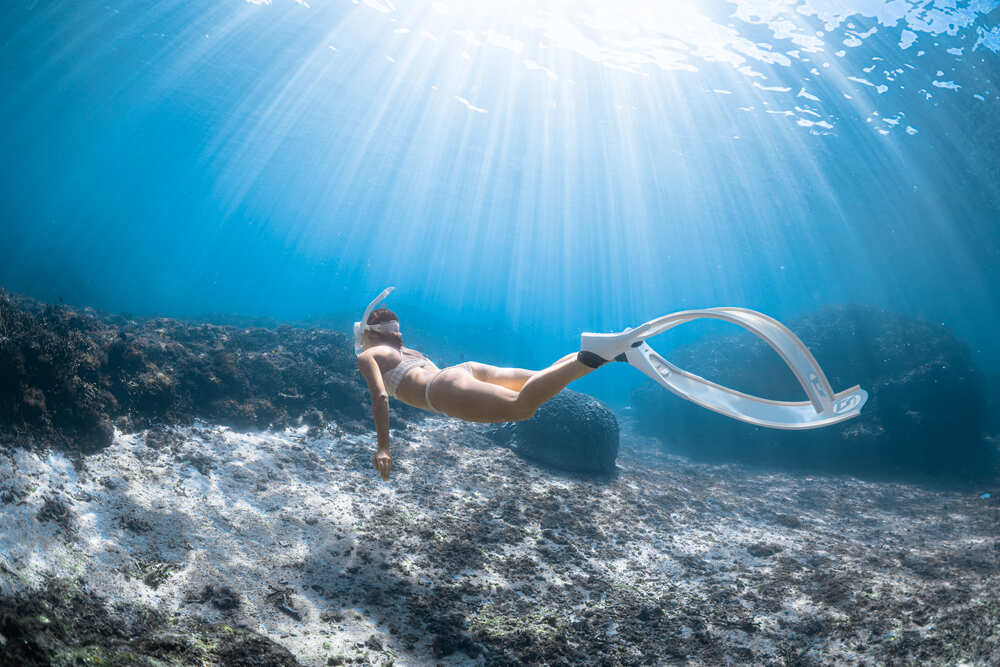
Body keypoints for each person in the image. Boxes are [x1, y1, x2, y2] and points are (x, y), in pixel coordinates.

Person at [356, 307, 615, 480]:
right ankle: (613, 351)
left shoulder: (369, 355)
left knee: (521, 407)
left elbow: (380, 397)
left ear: (368, 333)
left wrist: (383, 448)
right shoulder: (407, 351)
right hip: (464, 370)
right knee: (541, 377)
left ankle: (594, 355)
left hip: (441, 390)